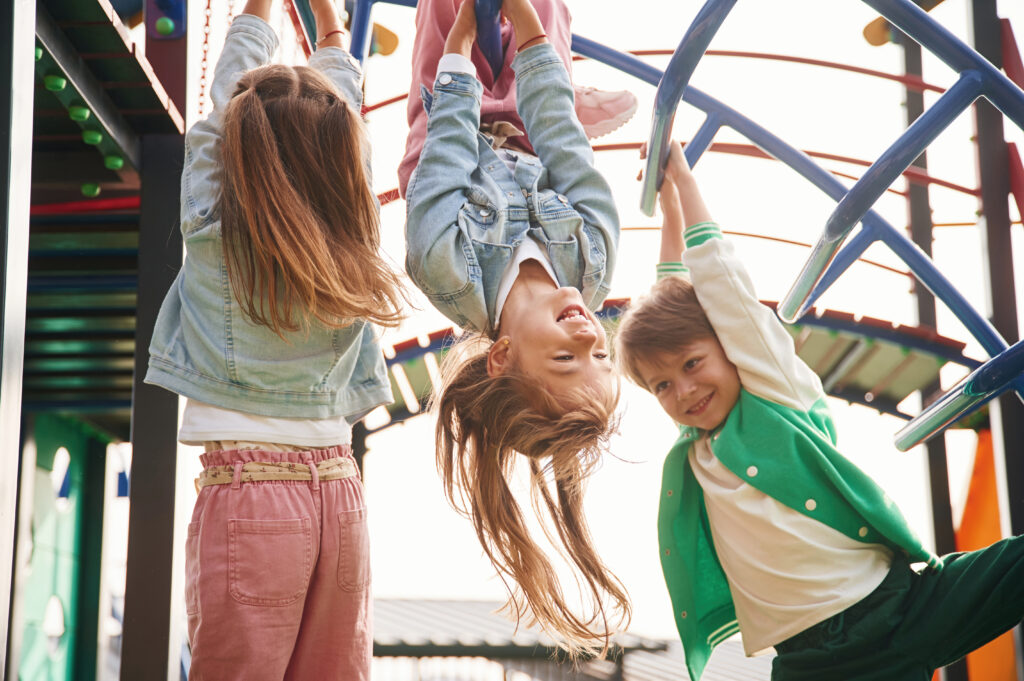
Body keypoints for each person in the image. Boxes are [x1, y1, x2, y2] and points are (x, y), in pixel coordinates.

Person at [614, 141, 1024, 681]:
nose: (684, 390)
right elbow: (672, 299)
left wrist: (685, 186)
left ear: (734, 349)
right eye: (662, 385)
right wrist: (667, 212)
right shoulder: (697, 453)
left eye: (693, 364)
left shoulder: (772, 392)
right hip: (808, 661)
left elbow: (725, 291)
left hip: (896, 611)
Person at [144, 1, 405, 678]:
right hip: (340, 495)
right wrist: (331, 23)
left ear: (234, 144)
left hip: (252, 494)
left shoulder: (212, 231)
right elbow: (341, 123)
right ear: (343, 162)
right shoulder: (353, 240)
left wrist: (259, 10)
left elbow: (217, 112)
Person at [403, 0, 628, 655]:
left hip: (453, 117)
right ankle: (551, 74)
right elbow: (564, 145)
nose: (588, 333)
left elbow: (444, 151)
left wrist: (464, 46)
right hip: (535, 132)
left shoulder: (443, 266)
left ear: (500, 356)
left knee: (450, 10)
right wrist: (531, 36)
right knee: (543, 12)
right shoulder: (592, 261)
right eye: (601, 354)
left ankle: (502, 65)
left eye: (566, 359)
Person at [396, 0, 637, 198]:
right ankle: (555, 101)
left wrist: (460, 42)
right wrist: (560, 121)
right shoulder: (577, 244)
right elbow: (587, 193)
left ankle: (551, 100)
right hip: (527, 143)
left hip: (442, 145)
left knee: (441, 10)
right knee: (545, 5)